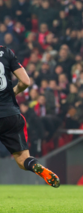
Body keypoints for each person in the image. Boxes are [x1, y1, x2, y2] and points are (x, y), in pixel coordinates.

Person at [0, 46, 60, 187]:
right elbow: (26, 82)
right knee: (23, 160)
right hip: (11, 114)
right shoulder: (6, 52)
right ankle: (35, 166)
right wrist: (12, 93)